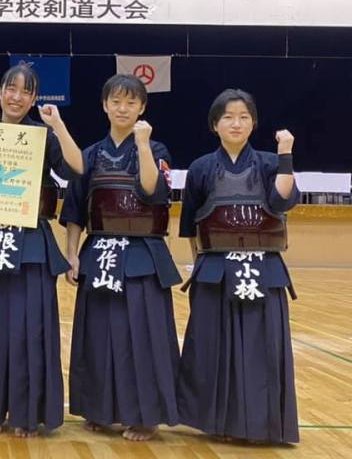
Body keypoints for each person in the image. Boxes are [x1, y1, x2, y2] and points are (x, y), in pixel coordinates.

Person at [0, 63, 84, 437]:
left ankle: (27, 413)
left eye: (26, 91)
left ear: (34, 98)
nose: (16, 97)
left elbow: (77, 169)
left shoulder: (44, 137)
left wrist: (57, 125)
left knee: (31, 327)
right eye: (11, 89)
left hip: (31, 243)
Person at [60, 74, 180, 441]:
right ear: (104, 105)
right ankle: (99, 410)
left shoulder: (157, 149)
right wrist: (72, 255)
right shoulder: (90, 155)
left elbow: (153, 191)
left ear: (143, 107)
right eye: (116, 101)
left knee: (142, 336)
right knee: (98, 335)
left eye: (131, 102)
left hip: (143, 254)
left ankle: (144, 416)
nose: (123, 108)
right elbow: (75, 210)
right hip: (99, 253)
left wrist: (142, 145)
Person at [177, 88, 299, 444]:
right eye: (228, 117)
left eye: (244, 117)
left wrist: (286, 154)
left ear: (254, 123)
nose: (236, 123)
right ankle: (219, 423)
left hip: (264, 269)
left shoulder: (269, 163)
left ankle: (262, 426)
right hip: (215, 270)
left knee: (263, 348)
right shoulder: (201, 168)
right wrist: (200, 267)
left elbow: (282, 201)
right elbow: (190, 227)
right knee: (214, 348)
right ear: (215, 124)